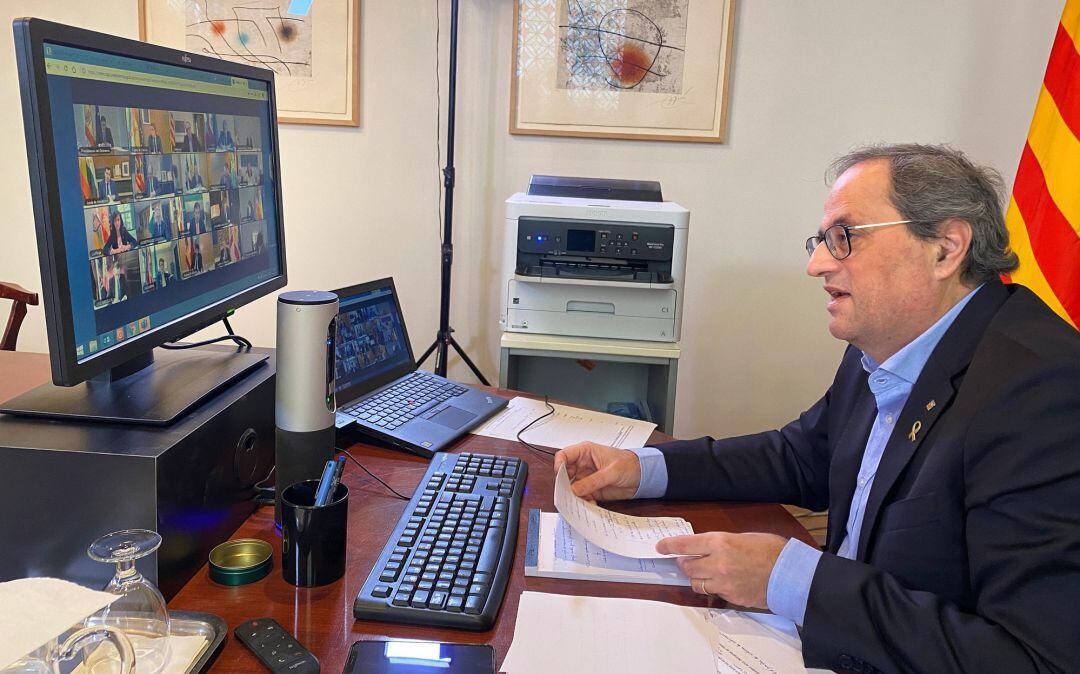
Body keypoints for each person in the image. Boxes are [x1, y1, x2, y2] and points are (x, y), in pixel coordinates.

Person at [555, 144, 1080, 673]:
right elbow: (800, 455)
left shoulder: (1043, 392)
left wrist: (793, 582)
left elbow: (1034, 658)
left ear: (945, 248)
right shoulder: (886, 344)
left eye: (844, 238)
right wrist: (642, 470)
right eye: (823, 240)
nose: (817, 264)